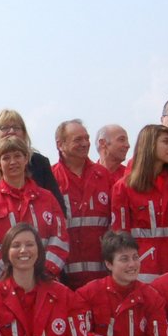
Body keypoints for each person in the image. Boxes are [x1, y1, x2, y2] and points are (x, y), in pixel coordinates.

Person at [0, 136, 68, 287]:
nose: (13, 162)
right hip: (2, 285)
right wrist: (12, 275)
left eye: (18, 156)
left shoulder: (47, 198)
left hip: (45, 282)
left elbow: (60, 239)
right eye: (6, 158)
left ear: (26, 159)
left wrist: (42, 274)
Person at [109, 124, 168, 282]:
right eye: (165, 142)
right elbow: (120, 236)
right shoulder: (124, 187)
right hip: (141, 269)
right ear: (149, 145)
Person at [52, 119, 113, 288]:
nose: (85, 143)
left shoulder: (104, 176)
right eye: (78, 140)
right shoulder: (51, 179)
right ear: (60, 144)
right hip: (64, 276)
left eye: (86, 138)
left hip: (102, 273)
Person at [0, 110, 63, 208]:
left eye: (17, 127)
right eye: (4, 127)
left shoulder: (40, 162)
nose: (12, 131)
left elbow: (58, 206)